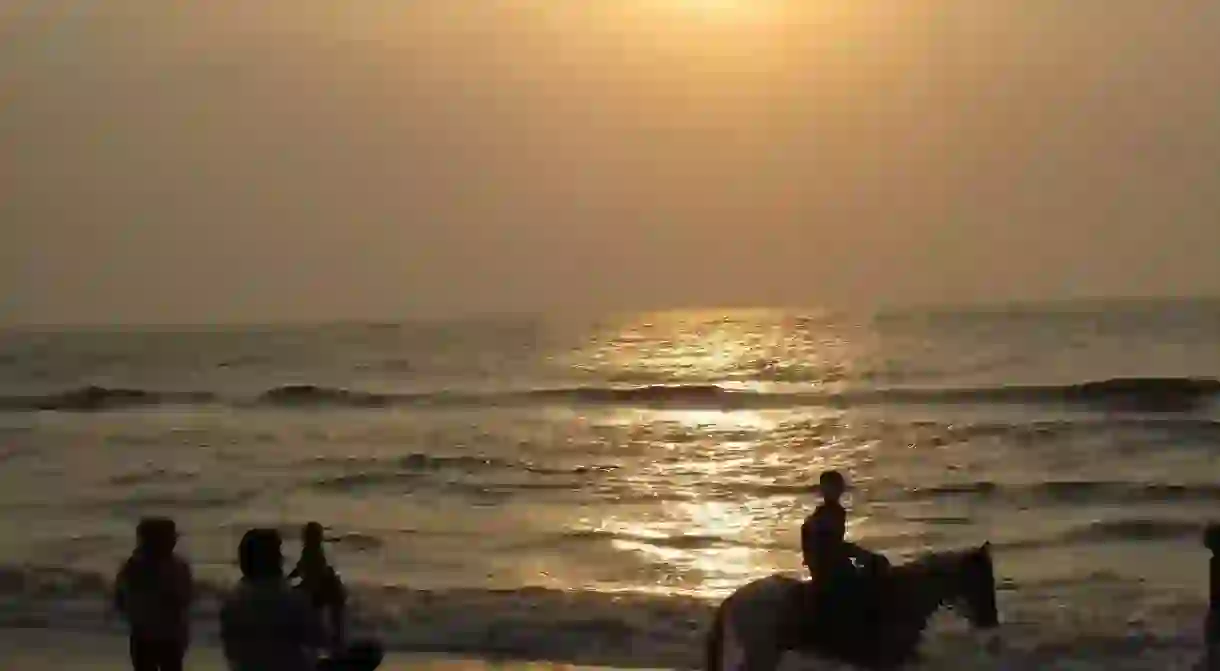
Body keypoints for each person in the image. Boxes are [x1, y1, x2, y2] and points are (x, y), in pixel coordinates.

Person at [220, 528, 381, 671]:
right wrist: (336, 605)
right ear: (272, 560)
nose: (282, 559)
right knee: (371, 651)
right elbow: (333, 645)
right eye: (277, 554)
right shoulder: (292, 601)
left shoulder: (231, 602)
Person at [114, 517, 193, 671]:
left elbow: (120, 602)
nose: (173, 542)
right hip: (166, 636)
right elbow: (185, 598)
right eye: (171, 538)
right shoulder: (177, 566)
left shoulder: (132, 567)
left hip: (146, 635)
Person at [289, 522, 347, 646]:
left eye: (307, 536)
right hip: (324, 588)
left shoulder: (316, 554)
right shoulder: (309, 551)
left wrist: (297, 587)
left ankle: (334, 642)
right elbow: (300, 568)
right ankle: (330, 641)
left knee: (331, 619)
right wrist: (288, 579)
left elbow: (314, 578)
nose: (304, 539)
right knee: (324, 617)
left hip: (329, 590)